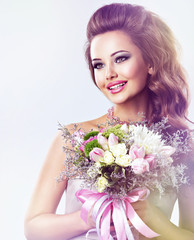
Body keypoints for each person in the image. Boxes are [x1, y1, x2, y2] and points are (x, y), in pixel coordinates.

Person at [24, 3, 194, 240]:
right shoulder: (73, 137)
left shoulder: (183, 145)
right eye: (99, 65)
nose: (109, 74)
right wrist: (91, 216)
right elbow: (34, 228)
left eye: (121, 58)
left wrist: (155, 220)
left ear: (151, 62)